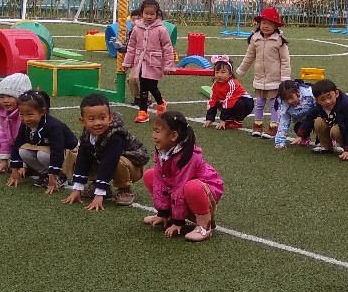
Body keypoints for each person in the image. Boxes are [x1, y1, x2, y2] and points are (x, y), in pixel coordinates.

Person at [142, 110, 224, 242]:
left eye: (158, 131)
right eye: (153, 131)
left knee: (192, 187)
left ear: (174, 135)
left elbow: (180, 186)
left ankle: (204, 226)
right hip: (181, 188)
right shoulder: (162, 150)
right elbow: (159, 181)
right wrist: (163, 212)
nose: (154, 136)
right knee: (150, 175)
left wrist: (178, 221)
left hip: (204, 190)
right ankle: (167, 215)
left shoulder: (189, 156)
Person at [62, 91, 144, 209]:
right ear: (82, 121)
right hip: (106, 160)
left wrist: (99, 194)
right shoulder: (87, 135)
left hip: (132, 167)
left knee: (117, 161)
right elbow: (82, 159)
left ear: (110, 118)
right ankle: (97, 184)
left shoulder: (116, 135)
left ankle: (124, 189)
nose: (98, 123)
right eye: (91, 119)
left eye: (102, 118)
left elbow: (109, 162)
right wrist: (77, 188)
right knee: (81, 155)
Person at [6, 89, 78, 192]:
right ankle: (45, 174)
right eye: (21, 114)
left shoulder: (53, 126)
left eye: (30, 115)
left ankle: (60, 176)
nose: (25, 119)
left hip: (69, 153)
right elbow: (17, 144)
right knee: (23, 151)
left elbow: (57, 151)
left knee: (42, 155)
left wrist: (54, 173)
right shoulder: (25, 125)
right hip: (48, 150)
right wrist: (14, 170)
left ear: (42, 112)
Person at [238, 6, 290, 137]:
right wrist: (241, 70)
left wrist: (285, 79)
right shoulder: (255, 39)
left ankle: (273, 126)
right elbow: (249, 57)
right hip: (260, 78)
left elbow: (285, 61)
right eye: (263, 23)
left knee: (274, 104)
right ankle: (258, 125)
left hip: (275, 79)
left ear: (276, 26)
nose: (265, 26)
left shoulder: (279, 41)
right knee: (259, 102)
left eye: (270, 24)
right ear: (259, 24)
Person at [122, 0, 175, 124]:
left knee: (152, 87)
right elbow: (131, 47)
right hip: (140, 63)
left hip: (154, 63)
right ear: (142, 14)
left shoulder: (161, 29)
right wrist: (127, 62)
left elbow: (167, 48)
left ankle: (161, 103)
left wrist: (169, 65)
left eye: (152, 14)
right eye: (146, 13)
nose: (149, 16)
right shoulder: (137, 28)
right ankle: (143, 112)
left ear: (157, 15)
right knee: (143, 87)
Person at [294, 78, 348, 160]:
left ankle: (347, 150)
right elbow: (309, 118)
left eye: (330, 97)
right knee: (318, 121)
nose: (327, 102)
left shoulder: (346, 108)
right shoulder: (319, 107)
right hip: (337, 128)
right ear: (317, 100)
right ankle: (326, 147)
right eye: (323, 99)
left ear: (336, 93)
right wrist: (301, 136)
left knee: (336, 129)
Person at [0, 72, 32, 174]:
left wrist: (24, 166)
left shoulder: (27, 116)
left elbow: (30, 141)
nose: (5, 100)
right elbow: (3, 135)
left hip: (33, 150)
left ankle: (28, 165)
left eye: (10, 96)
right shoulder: (3, 113)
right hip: (18, 148)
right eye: (2, 97)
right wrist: (4, 160)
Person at [204, 55, 254, 129]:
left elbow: (229, 102)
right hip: (229, 102)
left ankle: (238, 121)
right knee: (216, 101)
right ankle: (229, 118)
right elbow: (212, 101)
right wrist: (209, 118)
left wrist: (222, 120)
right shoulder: (215, 85)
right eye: (217, 72)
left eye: (223, 72)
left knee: (237, 103)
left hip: (246, 104)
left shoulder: (232, 84)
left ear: (230, 74)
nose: (219, 75)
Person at [271, 78, 314, 149]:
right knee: (298, 127)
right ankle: (305, 138)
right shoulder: (285, 106)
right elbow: (283, 123)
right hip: (303, 121)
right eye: (286, 99)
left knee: (319, 123)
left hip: (315, 117)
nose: (289, 101)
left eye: (291, 97)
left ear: (297, 92)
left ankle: (324, 140)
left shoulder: (310, 96)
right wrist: (280, 142)